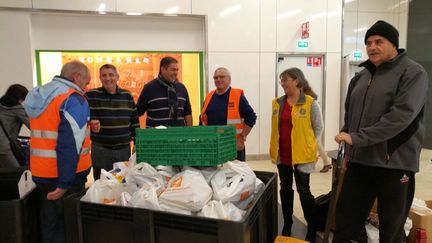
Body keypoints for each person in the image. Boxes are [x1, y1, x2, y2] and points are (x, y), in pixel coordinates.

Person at [333, 20, 428, 243]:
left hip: (394, 164)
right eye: (368, 42)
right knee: (346, 222)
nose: (372, 47)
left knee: (391, 230)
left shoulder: (413, 73)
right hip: (360, 162)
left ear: (394, 44)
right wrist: (349, 149)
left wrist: (357, 138)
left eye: (379, 41)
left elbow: (400, 117)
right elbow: (350, 117)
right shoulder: (361, 77)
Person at [23, 60, 94, 243]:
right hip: (66, 177)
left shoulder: (42, 94)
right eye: (86, 83)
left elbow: (51, 130)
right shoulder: (72, 98)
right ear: (76, 77)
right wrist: (64, 183)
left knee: (50, 223)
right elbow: (69, 145)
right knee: (68, 227)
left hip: (41, 172)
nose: (86, 88)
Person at [269, 67, 323, 242]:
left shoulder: (310, 103)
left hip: (302, 156)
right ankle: (287, 223)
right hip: (282, 155)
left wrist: (307, 145)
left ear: (297, 81)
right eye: (281, 80)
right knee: (285, 189)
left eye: (285, 80)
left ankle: (312, 227)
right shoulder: (277, 103)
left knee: (304, 191)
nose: (282, 83)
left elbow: (318, 128)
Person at [85, 64, 140, 180]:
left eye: (111, 75)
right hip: (100, 150)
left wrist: (137, 142)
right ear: (100, 78)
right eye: (104, 75)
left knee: (121, 184)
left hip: (123, 150)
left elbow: (134, 121)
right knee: (101, 184)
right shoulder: (91, 95)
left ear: (117, 77)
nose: (107, 78)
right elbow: (82, 117)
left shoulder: (127, 95)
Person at [200, 67, 257, 161]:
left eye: (222, 77)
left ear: (229, 80)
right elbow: (202, 119)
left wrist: (242, 138)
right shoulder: (209, 96)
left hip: (233, 146)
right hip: (212, 145)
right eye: (216, 77)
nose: (218, 80)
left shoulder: (237, 96)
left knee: (234, 174)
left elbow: (251, 117)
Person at [136, 56, 192, 127]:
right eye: (173, 70)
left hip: (178, 136)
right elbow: (138, 112)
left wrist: (189, 134)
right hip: (155, 136)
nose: (176, 73)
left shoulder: (182, 88)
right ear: (162, 69)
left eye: (177, 70)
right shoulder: (149, 88)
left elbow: (187, 113)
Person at [302, 86, 332, 173]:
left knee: (317, 144)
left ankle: (326, 162)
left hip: (315, 128)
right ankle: (322, 162)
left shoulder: (312, 102)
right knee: (317, 145)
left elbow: (317, 121)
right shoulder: (306, 102)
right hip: (310, 128)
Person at [0, 84, 29, 168]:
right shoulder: (17, 109)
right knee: (16, 175)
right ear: (20, 98)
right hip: (3, 148)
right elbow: (33, 126)